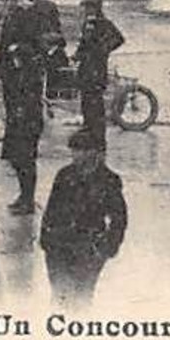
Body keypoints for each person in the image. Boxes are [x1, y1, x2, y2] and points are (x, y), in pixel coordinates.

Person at [40, 128, 128, 307]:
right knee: (60, 295)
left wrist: (109, 247)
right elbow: (51, 209)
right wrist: (46, 239)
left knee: (82, 296)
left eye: (82, 150)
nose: (76, 155)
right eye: (74, 150)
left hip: (89, 247)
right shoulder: (64, 175)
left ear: (95, 152)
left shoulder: (109, 180)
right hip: (60, 245)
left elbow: (119, 217)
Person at [0, 0, 45, 214]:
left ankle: (27, 200)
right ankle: (23, 197)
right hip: (20, 119)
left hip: (27, 121)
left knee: (25, 161)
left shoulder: (30, 73)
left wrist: (17, 113)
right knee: (19, 161)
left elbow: (28, 99)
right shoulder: (20, 72)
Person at [72, 0, 126, 147]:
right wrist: (77, 55)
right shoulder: (87, 24)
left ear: (95, 8)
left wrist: (104, 50)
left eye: (87, 8)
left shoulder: (104, 23)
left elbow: (119, 39)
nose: (84, 11)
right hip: (86, 69)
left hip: (97, 69)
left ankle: (99, 139)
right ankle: (89, 132)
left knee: (96, 105)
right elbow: (84, 45)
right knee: (86, 103)